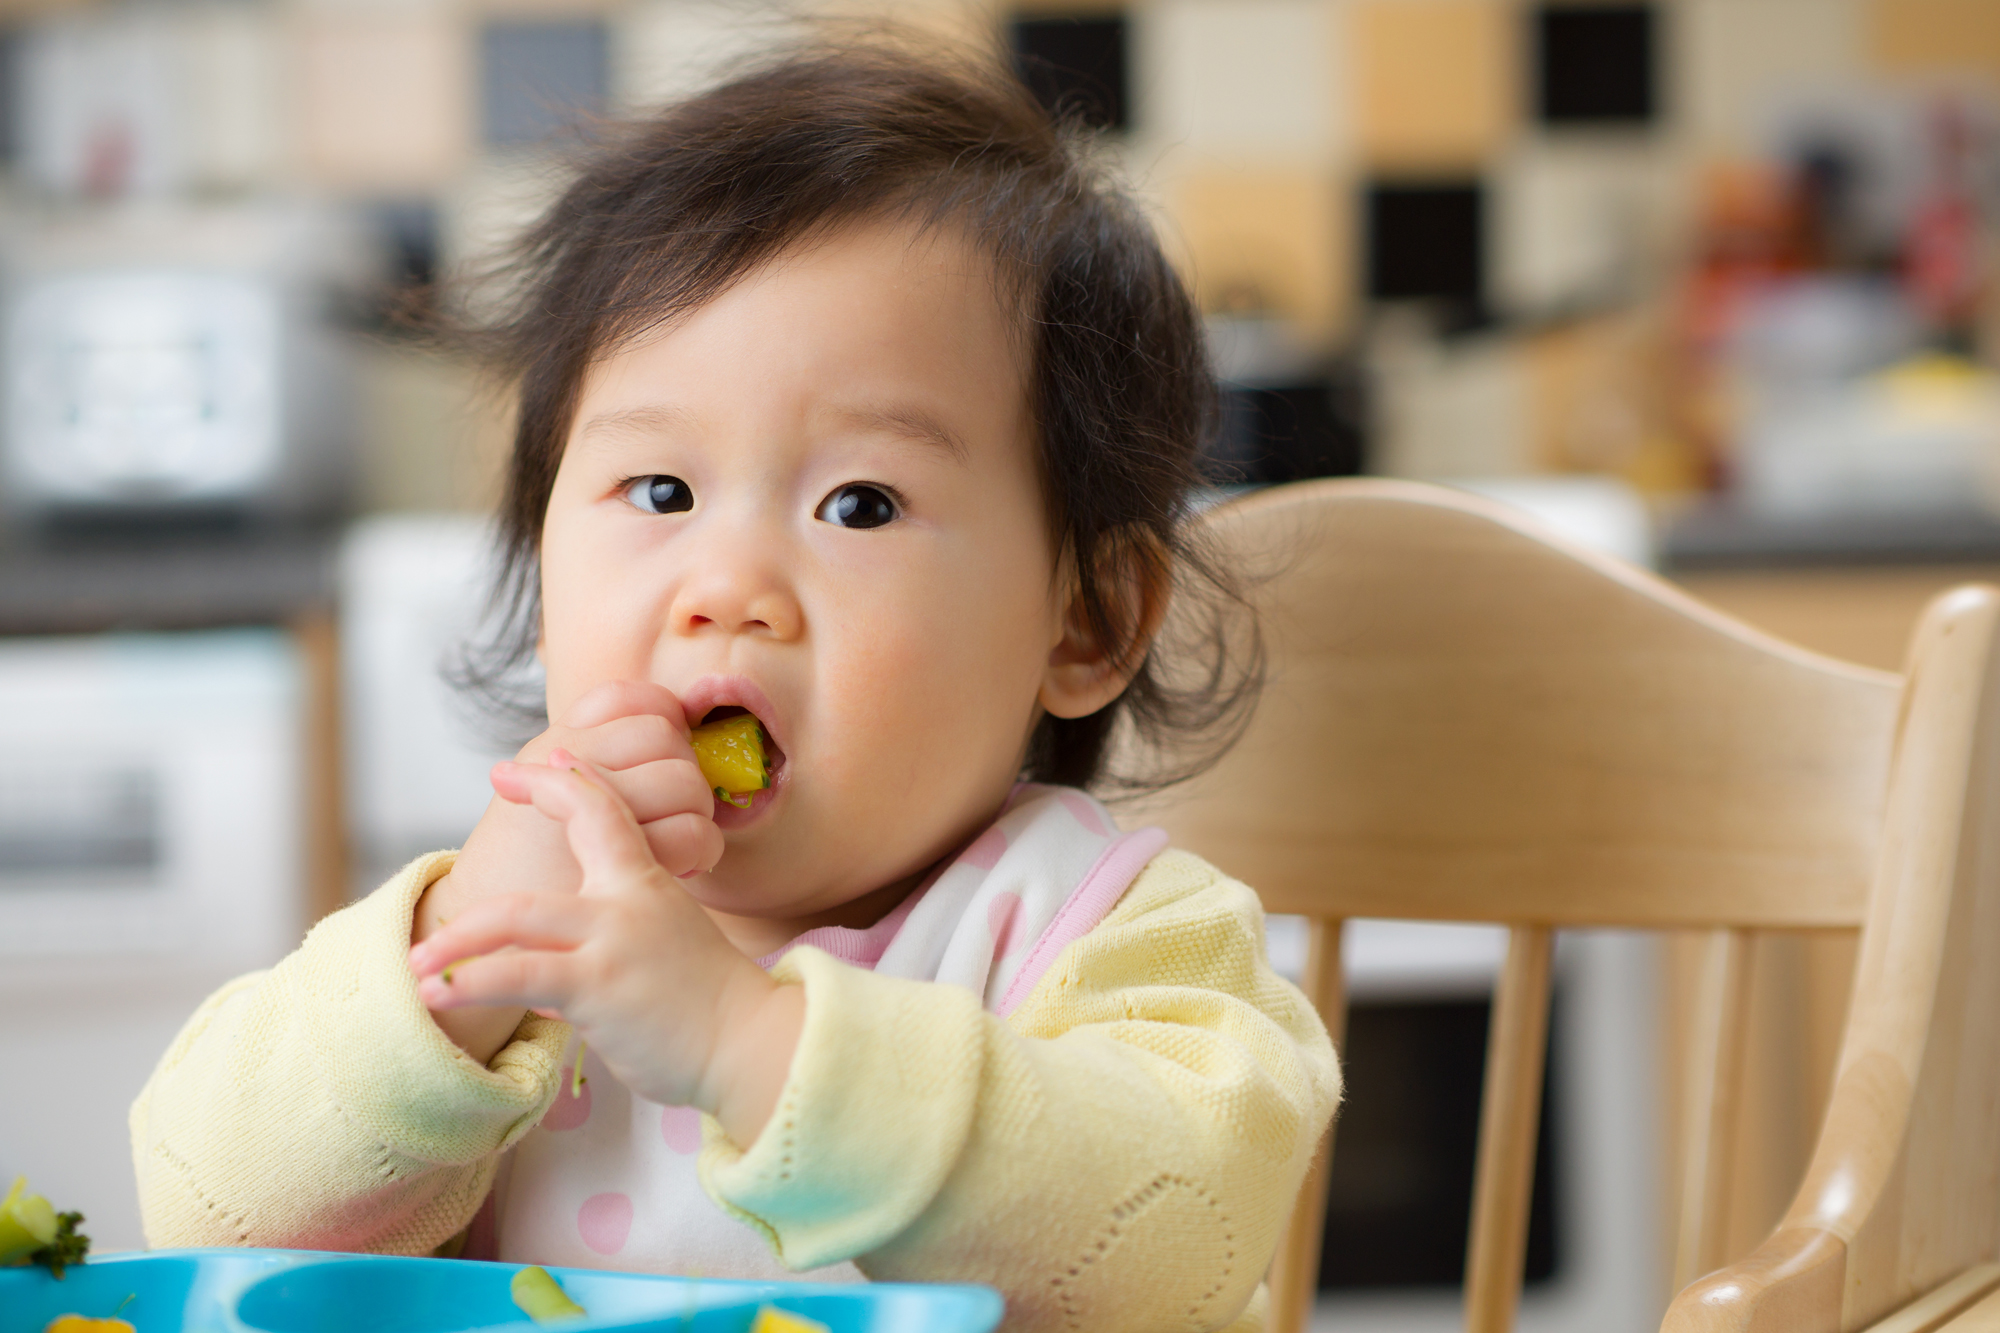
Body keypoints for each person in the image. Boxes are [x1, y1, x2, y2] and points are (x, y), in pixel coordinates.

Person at [130, 41, 1339, 1332]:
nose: (728, 587)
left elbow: (1168, 1243)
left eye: (859, 503)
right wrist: (452, 977)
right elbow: (207, 1213)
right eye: (661, 492)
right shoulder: (507, 929)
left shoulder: (1102, 932)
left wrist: (745, 1044)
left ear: (1084, 619)